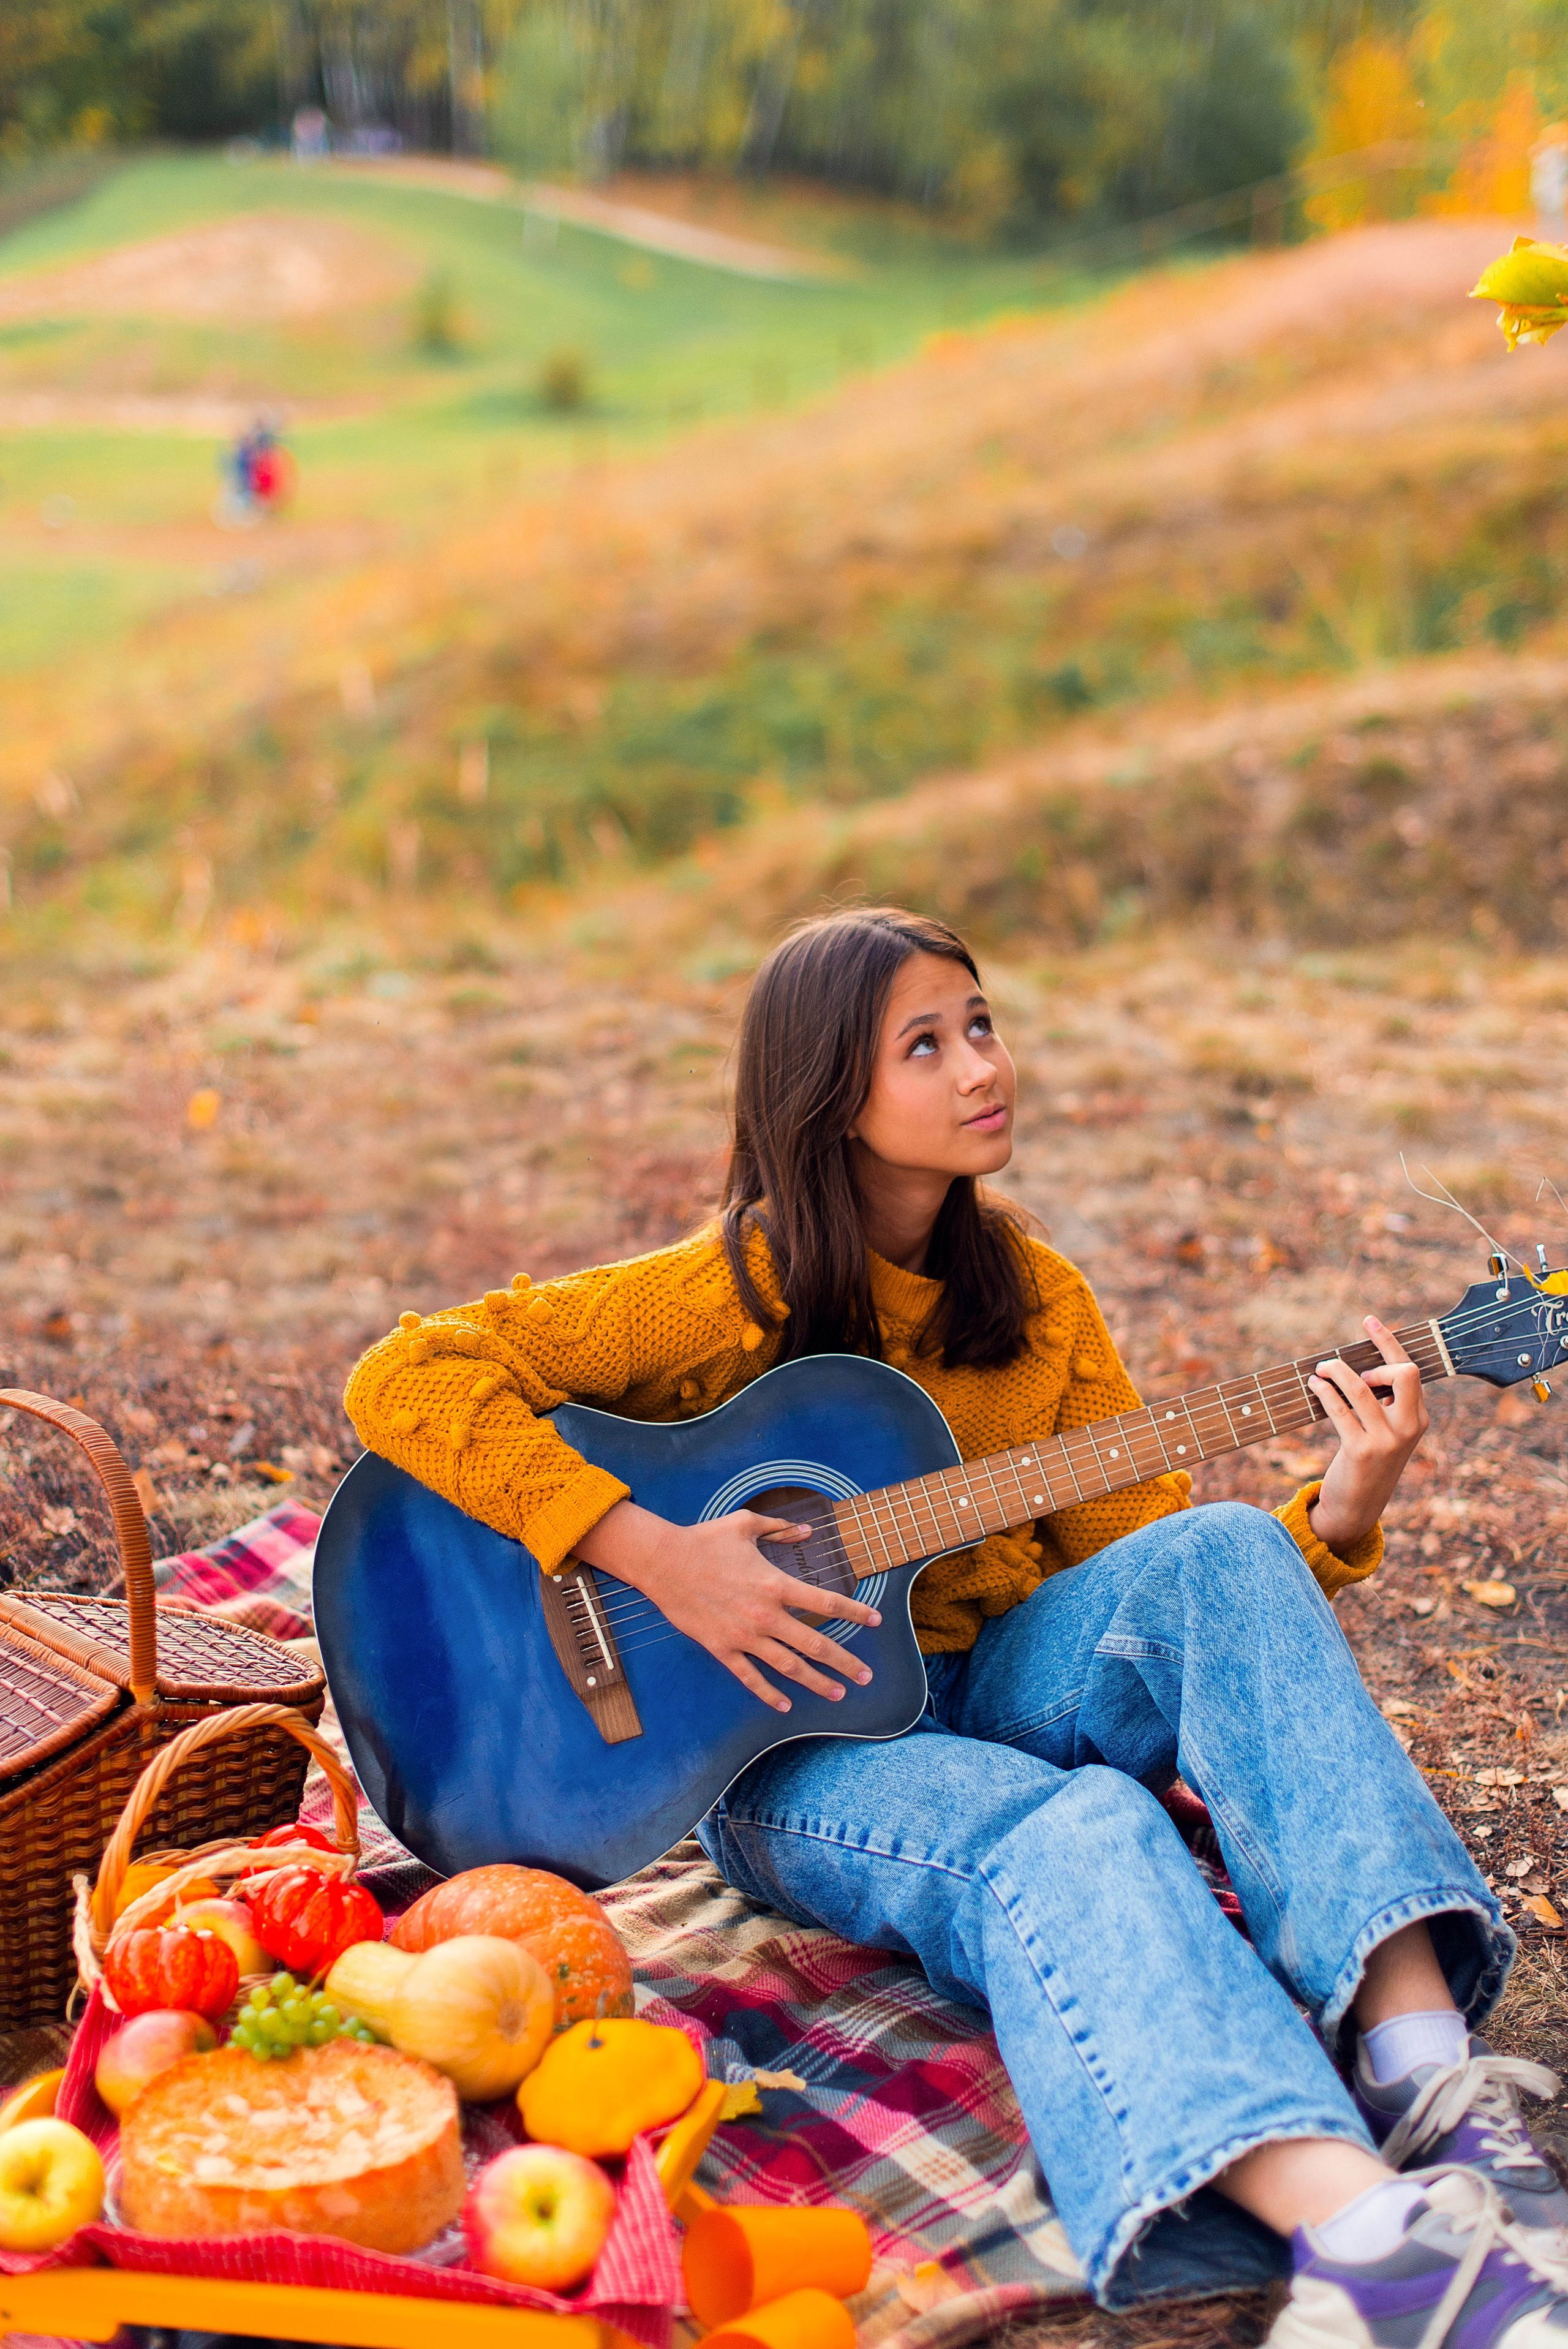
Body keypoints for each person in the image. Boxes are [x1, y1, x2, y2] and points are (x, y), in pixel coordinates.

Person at [346, 908, 1568, 2344]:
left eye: (978, 1024)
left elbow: (1144, 1577)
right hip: (779, 1751)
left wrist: (1344, 1511)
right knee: (1074, 1828)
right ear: (827, 1099)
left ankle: (1425, 2068)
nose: (979, 1066)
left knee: (1227, 1546)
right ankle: (1361, 2236)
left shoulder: (1037, 1299)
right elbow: (404, 1377)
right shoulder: (725, 1289)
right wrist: (659, 1557)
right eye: (922, 1045)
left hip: (984, 1673)